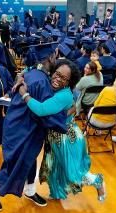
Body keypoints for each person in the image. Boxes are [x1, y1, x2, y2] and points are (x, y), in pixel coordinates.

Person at [0, 43, 67, 212]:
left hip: (21, 124)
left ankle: (30, 190)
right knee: (16, 162)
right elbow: (45, 113)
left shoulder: (32, 73)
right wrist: (64, 124)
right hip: (23, 129)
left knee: (29, 160)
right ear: (51, 58)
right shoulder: (42, 82)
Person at [18, 59, 106, 201]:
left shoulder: (64, 95)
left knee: (73, 172)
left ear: (69, 82)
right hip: (54, 136)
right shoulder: (50, 82)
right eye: (57, 74)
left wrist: (24, 94)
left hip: (67, 138)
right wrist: (20, 77)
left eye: (64, 78)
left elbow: (41, 110)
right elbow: (29, 70)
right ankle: (57, 192)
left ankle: (98, 182)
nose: (58, 79)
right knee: (53, 168)